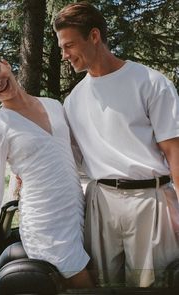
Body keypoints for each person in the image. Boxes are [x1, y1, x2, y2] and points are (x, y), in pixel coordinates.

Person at [53, 1, 179, 288]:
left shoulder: (149, 82)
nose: (64, 55)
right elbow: (67, 157)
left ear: (94, 36)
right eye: (62, 48)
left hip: (152, 202)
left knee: (151, 287)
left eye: (69, 45)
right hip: (100, 203)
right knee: (102, 285)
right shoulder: (73, 100)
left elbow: (175, 153)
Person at [0, 52, 93, 289]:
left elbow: (77, 155)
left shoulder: (54, 105)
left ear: (6, 64)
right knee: (86, 287)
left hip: (76, 211)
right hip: (45, 223)